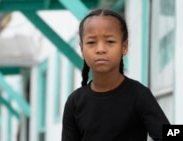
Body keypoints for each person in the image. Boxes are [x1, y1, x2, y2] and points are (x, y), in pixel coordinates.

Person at [61, 8, 170, 141]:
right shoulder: (74, 102)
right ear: (82, 49)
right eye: (91, 42)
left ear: (124, 47)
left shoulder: (139, 95)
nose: (100, 49)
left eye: (110, 41)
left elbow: (168, 133)